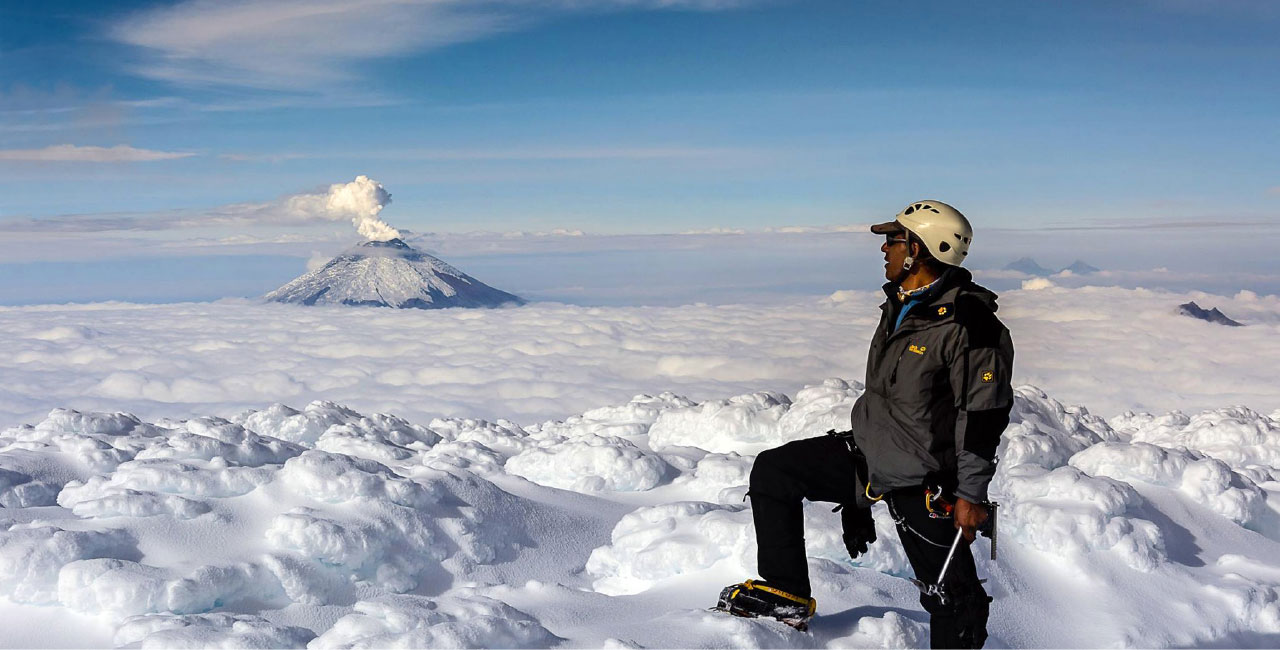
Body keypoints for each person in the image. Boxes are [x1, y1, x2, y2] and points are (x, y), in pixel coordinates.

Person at [716, 200, 1015, 648]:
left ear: (920, 249)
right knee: (776, 471)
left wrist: (970, 495)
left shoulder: (969, 326)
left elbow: (984, 415)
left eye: (894, 240)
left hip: (925, 478)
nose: (884, 249)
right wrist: (858, 498)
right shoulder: (900, 305)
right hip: (872, 454)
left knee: (954, 598)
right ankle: (787, 595)